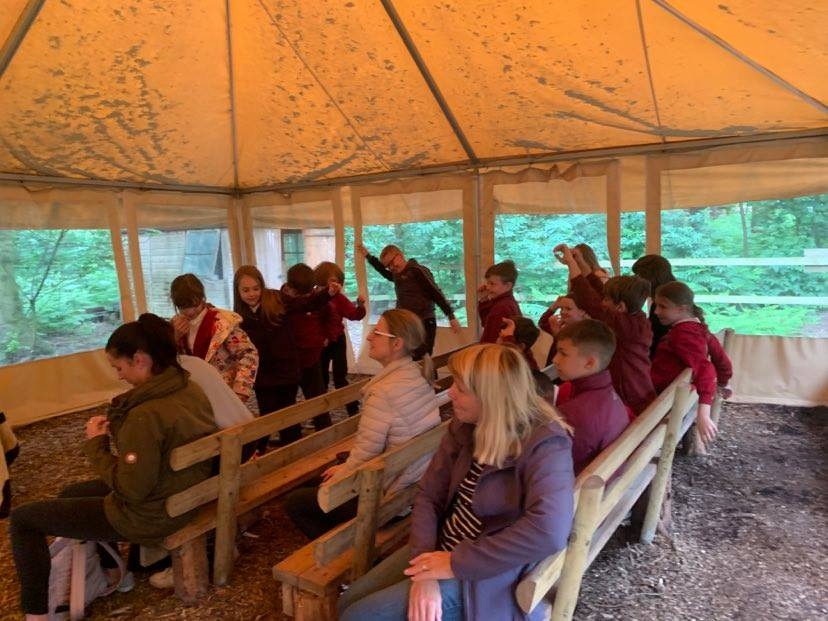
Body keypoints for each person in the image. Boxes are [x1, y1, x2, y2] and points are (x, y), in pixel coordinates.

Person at [339, 344, 574, 621]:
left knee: (359, 616)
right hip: (444, 546)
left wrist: (453, 563)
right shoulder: (465, 426)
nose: (450, 393)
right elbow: (429, 495)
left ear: (490, 397)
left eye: (460, 388)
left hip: (489, 573)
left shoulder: (545, 443)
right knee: (348, 602)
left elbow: (549, 530)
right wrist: (426, 570)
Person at [9, 314, 217, 619]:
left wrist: (97, 444)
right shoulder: (189, 389)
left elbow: (131, 490)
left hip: (152, 514)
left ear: (140, 360)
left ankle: (37, 613)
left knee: (23, 520)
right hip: (183, 492)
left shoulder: (145, 415)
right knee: (71, 493)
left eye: (119, 368)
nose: (119, 376)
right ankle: (112, 574)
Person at [284, 309, 441, 539]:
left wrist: (342, 475)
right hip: (415, 481)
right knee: (321, 478)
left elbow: (367, 453)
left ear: (397, 344)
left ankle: (343, 549)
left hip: (390, 495)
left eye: (377, 332)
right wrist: (345, 467)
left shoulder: (383, 391)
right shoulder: (416, 372)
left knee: (295, 502)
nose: (369, 337)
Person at [233, 265, 338, 449]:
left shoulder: (276, 299)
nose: (252, 294)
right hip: (262, 373)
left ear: (262, 286)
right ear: (238, 291)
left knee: (288, 413)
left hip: (285, 369)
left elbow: (304, 304)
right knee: (267, 414)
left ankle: (292, 448)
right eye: (246, 290)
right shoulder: (239, 315)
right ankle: (260, 451)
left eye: (256, 288)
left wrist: (327, 294)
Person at [556, 244, 656, 416]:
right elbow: (598, 292)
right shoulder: (634, 317)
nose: (603, 302)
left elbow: (590, 302)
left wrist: (571, 263)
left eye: (607, 300)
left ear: (620, 307)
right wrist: (580, 263)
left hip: (631, 400)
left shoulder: (629, 327)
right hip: (636, 393)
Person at [650, 281, 734, 446]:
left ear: (681, 309)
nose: (656, 311)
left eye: (662, 306)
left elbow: (705, 369)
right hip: (675, 397)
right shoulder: (699, 329)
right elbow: (722, 361)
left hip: (664, 400)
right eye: (656, 305)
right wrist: (724, 382)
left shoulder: (682, 335)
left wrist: (704, 412)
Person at [170, 273, 258, 410]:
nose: (190, 312)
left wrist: (239, 393)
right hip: (195, 397)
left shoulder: (223, 322)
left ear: (203, 298)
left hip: (226, 393)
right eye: (183, 307)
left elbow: (249, 354)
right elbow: (170, 363)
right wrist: (174, 338)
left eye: (194, 305)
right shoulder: (175, 326)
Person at [552, 320, 629, 474]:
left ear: (590, 363)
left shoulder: (574, 414)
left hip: (583, 484)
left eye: (563, 353)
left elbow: (553, 465)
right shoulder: (607, 394)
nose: (555, 359)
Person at [358, 243, 461, 358]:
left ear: (400, 255)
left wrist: (451, 316)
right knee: (409, 356)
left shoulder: (417, 271)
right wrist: (368, 256)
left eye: (392, 262)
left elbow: (435, 293)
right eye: (388, 266)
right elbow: (382, 270)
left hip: (425, 321)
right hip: (408, 324)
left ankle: (426, 369)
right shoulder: (396, 275)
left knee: (423, 357)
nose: (391, 267)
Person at [282, 263, 338, 432]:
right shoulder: (282, 301)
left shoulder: (318, 299)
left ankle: (325, 434)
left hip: (312, 359)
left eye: (310, 292)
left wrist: (327, 336)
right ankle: (291, 438)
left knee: (318, 401)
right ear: (290, 288)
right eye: (303, 294)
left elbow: (332, 319)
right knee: (287, 404)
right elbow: (302, 305)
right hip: (289, 360)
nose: (307, 297)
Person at [314, 261, 367, 416]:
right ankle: (320, 414)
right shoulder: (313, 297)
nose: (336, 285)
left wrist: (360, 306)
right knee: (321, 379)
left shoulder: (339, 298)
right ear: (322, 280)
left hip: (337, 340)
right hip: (320, 343)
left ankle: (353, 410)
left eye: (338, 281)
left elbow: (354, 315)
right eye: (332, 281)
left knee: (340, 378)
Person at [631, 254, 677, 358]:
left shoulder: (663, 303)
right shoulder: (673, 293)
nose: (636, 280)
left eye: (638, 276)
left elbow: (656, 338)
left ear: (649, 278)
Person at [477, 260, 522, 343]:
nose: (487, 287)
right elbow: (486, 324)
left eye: (492, 284)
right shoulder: (506, 302)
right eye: (487, 283)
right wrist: (484, 300)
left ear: (508, 285)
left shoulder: (501, 308)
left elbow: (490, 339)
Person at [538, 295, 589, 366]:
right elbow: (542, 323)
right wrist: (553, 308)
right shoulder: (563, 326)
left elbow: (569, 354)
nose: (563, 312)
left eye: (568, 309)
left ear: (582, 311)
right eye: (561, 309)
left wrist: (557, 334)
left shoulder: (586, 331)